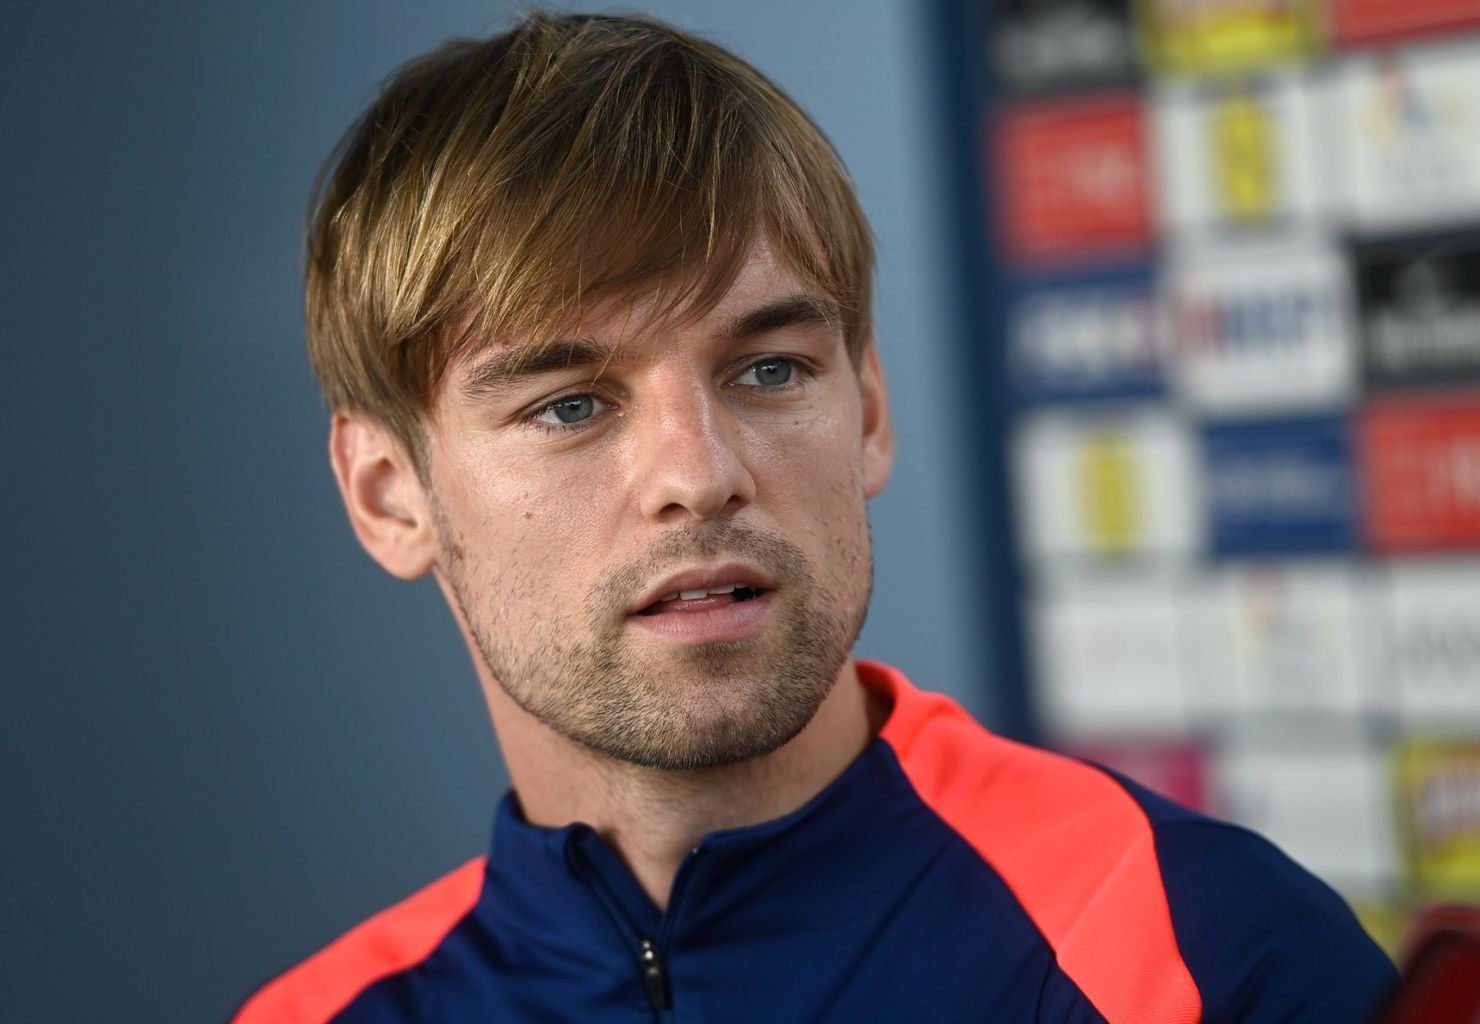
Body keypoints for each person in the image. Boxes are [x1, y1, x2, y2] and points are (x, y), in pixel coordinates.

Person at [234, 12, 1395, 1023]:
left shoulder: (1204, 948)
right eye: (571, 404)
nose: (701, 473)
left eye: (769, 370)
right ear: (389, 494)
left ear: (870, 412)